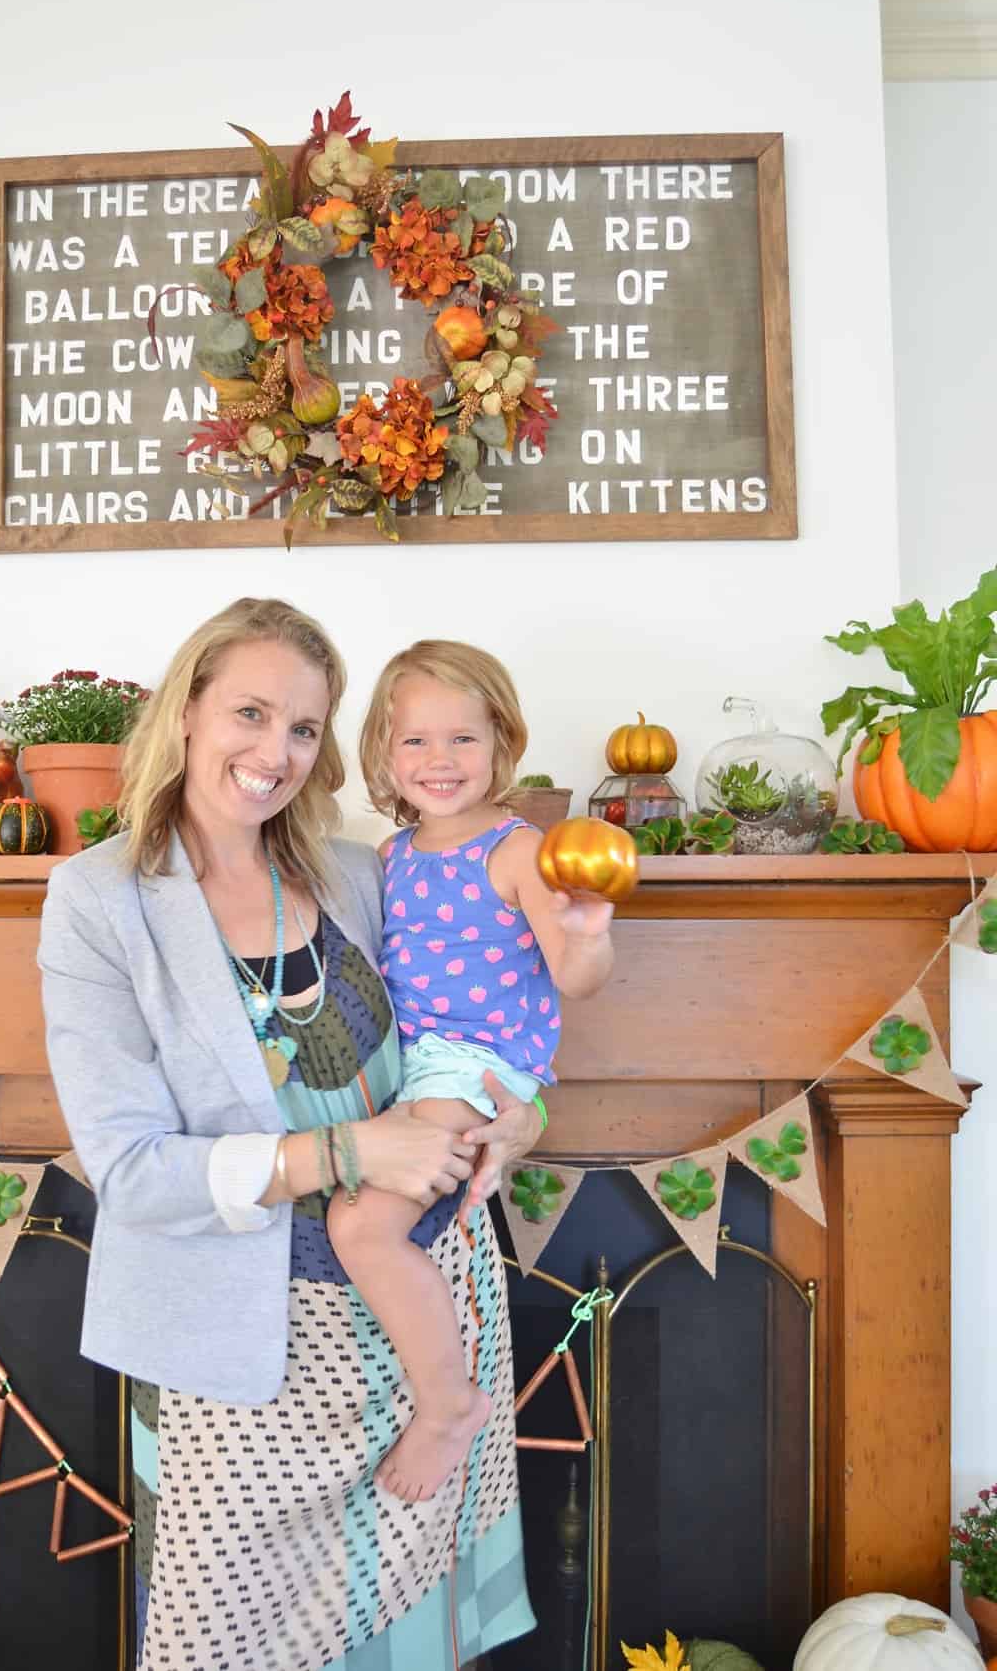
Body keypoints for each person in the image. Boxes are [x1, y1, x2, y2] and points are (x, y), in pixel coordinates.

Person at [37, 598, 543, 1671]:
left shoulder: (363, 873)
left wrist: (522, 1112)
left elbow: (478, 1016)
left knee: (406, 1641)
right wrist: (347, 1153)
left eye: (304, 728)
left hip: (423, 1316)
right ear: (187, 713)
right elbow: (129, 1170)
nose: (276, 752)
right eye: (252, 713)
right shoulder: (99, 901)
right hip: (242, 1350)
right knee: (222, 1640)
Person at [330, 641, 614, 1504]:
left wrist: (591, 930)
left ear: (502, 742)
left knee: (362, 1229)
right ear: (382, 752)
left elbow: (573, 977)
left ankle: (449, 1405)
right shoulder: (391, 853)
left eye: (462, 739)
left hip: (477, 1064)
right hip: (410, 1063)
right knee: (352, 1209)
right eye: (414, 742)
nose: (439, 761)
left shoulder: (520, 849)